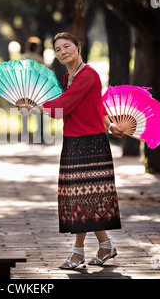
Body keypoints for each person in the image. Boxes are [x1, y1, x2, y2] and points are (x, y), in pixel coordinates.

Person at [19, 32, 124, 269]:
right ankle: (105, 245)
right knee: (82, 198)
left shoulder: (88, 75)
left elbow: (65, 105)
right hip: (74, 141)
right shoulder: (69, 76)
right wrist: (111, 124)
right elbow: (98, 105)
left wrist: (35, 108)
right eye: (57, 49)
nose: (63, 52)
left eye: (67, 46)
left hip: (90, 143)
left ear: (78, 47)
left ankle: (78, 253)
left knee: (82, 198)